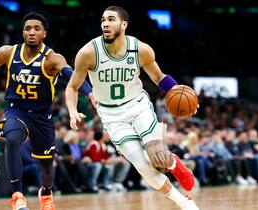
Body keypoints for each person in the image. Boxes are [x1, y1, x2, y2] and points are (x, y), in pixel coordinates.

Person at [66, 6, 199, 210]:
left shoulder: (140, 49)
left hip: (138, 106)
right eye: (103, 20)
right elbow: (72, 87)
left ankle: (173, 164)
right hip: (111, 115)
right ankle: (182, 201)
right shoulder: (88, 52)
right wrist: (72, 110)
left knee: (156, 155)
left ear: (124, 24)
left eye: (111, 19)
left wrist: (185, 94)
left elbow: (159, 78)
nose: (105, 24)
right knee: (144, 168)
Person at [0, 12, 93, 210]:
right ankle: (17, 196)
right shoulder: (9, 52)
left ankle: (46, 192)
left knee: (46, 169)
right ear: (22, 32)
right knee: (12, 138)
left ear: (44, 33)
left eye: (37, 29)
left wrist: (90, 93)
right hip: (15, 110)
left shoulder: (52, 58)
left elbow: (72, 75)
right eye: (28, 29)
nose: (32, 32)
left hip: (42, 117)